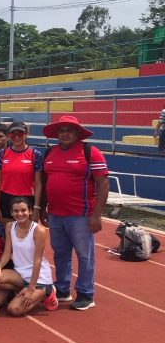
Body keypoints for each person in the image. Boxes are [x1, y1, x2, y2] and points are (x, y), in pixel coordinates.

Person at [41, 115, 109, 310]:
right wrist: (44, 208)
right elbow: (46, 183)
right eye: (61, 130)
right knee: (60, 253)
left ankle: (86, 293)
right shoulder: (50, 152)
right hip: (55, 214)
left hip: (81, 215)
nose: (65, 134)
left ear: (78, 133)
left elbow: (103, 183)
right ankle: (62, 289)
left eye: (69, 130)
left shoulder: (90, 152)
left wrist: (97, 215)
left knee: (84, 254)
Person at [0, 197, 58, 317]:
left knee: (14, 309)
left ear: (30, 211)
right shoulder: (9, 226)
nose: (20, 214)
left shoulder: (39, 230)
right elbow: (7, 252)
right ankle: (20, 290)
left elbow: (37, 261)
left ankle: (47, 292)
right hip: (20, 274)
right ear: (12, 212)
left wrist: (31, 288)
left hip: (39, 278)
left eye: (23, 210)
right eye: (16, 211)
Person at [0, 121, 43, 222]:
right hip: (6, 199)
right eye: (13, 134)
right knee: (6, 233)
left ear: (26, 133)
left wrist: (36, 208)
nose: (16, 136)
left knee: (26, 234)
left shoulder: (35, 154)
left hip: (26, 200)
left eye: (20, 133)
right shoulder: (2, 154)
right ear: (9, 135)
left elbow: (38, 184)